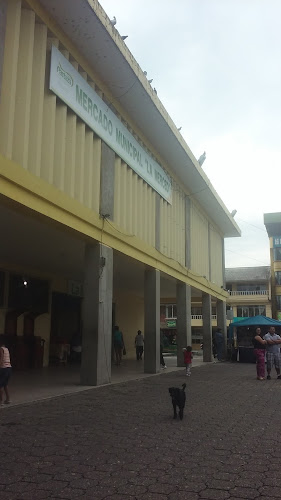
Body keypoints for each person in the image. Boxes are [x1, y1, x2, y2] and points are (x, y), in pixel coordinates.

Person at [0, 337, 12, 405]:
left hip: (3, 368)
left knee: (0, 385)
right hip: (9, 368)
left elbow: (1, 359)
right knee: (5, 384)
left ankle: (0, 401)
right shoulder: (6, 349)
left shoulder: (1, 349)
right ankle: (8, 399)